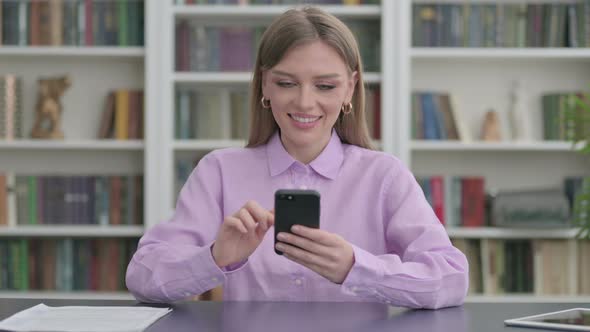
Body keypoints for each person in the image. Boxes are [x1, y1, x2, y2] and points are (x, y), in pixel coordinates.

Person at [126, 7, 468, 309]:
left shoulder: (384, 175)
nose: (305, 103)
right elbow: (143, 275)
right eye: (287, 83)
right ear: (265, 85)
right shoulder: (219, 171)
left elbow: (452, 279)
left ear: (350, 88)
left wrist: (355, 267)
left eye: (325, 86)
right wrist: (215, 258)